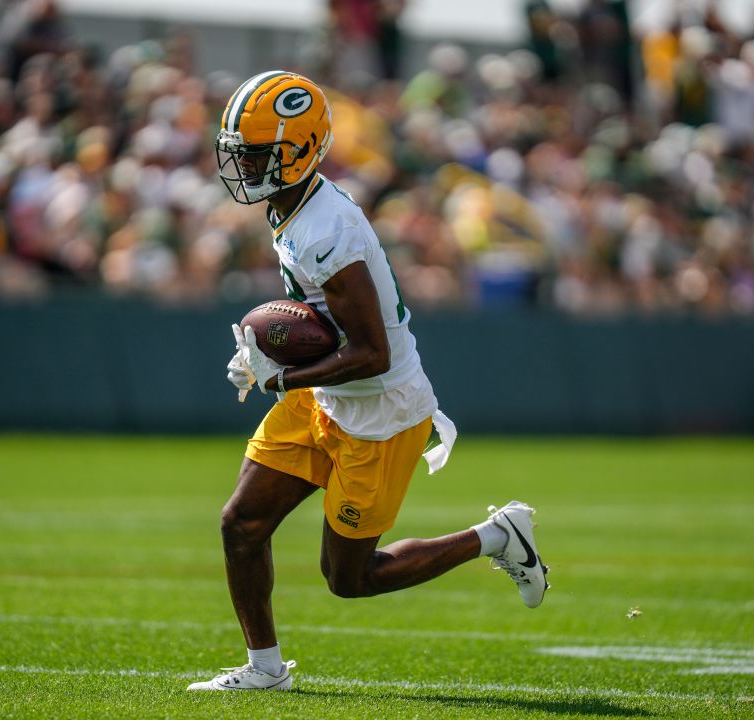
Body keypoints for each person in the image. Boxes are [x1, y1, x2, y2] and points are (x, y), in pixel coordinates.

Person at [186, 71, 551, 692]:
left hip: (381, 407)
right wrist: (288, 372)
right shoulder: (294, 202)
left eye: (254, 154)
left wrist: (281, 378)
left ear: (299, 150)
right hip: (328, 395)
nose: (243, 166)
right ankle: (265, 670)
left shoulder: (327, 229)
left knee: (349, 577)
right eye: (239, 152)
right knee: (241, 524)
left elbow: (373, 353)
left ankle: (496, 536)